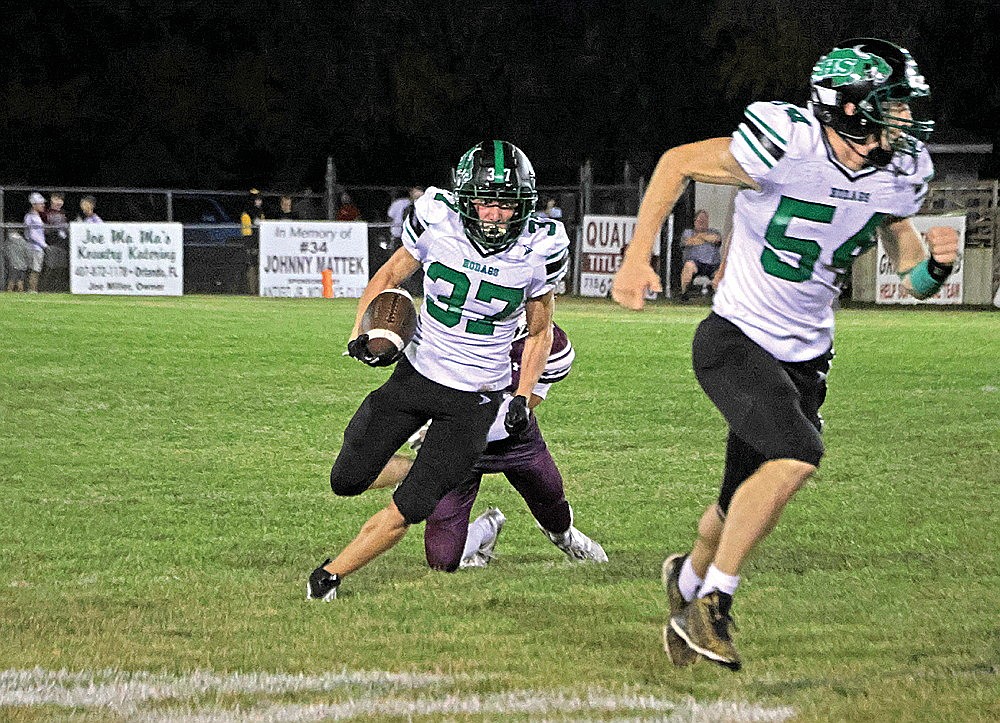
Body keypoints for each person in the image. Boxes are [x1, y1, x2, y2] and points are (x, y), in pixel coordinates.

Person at [611, 38, 958, 671]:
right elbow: (676, 163)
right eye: (893, 106)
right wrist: (636, 257)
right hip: (736, 336)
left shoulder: (900, 174)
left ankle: (684, 583)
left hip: (807, 358)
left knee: (733, 503)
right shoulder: (787, 141)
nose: (905, 121)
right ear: (848, 108)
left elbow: (907, 270)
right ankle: (713, 603)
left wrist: (932, 269)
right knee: (796, 455)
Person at [306, 140, 570, 601]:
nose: (493, 215)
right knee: (346, 479)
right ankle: (431, 473)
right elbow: (388, 278)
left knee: (411, 509)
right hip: (416, 374)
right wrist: (361, 333)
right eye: (485, 201)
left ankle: (330, 575)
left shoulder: (540, 248)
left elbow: (539, 331)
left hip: (475, 399)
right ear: (466, 199)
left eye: (506, 205)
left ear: (523, 206)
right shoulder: (436, 217)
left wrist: (524, 398)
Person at [367, 320, 606, 571]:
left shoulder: (551, 343)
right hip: (454, 449)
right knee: (443, 561)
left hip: (513, 441)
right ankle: (487, 528)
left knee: (550, 498)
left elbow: (527, 401)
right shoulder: (453, 327)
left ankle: (566, 537)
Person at [678, 209, 722, 301]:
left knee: (720, 274)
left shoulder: (714, 231)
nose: (702, 222)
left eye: (704, 220)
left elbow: (716, 239)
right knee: (688, 266)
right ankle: (684, 293)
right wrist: (705, 238)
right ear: (695, 221)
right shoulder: (688, 232)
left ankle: (720, 298)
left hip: (712, 264)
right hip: (695, 263)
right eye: (700, 220)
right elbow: (689, 242)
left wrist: (700, 236)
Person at [23, 192, 48, 293]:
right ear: (34, 205)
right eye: (40, 203)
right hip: (35, 247)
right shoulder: (30, 217)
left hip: (37, 247)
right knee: (35, 270)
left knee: (36, 269)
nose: (43, 205)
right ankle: (32, 290)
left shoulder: (36, 216)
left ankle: (33, 289)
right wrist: (43, 244)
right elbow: (31, 234)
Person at [385, 186, 424, 250]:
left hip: (415, 236)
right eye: (416, 191)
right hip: (398, 236)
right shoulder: (399, 203)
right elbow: (390, 217)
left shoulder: (423, 206)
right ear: (411, 192)